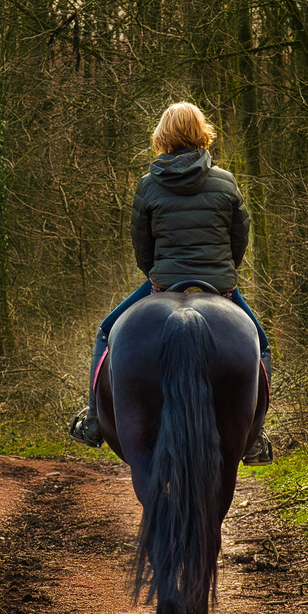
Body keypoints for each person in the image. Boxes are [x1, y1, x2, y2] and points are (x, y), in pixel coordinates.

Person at [70, 101, 272, 462]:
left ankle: (94, 421)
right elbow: (240, 239)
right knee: (262, 346)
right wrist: (223, 274)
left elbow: (142, 249)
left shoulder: (149, 185)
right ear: (201, 133)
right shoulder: (225, 182)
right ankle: (254, 438)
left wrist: (157, 277)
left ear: (163, 135)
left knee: (105, 332)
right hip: (219, 285)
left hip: (164, 284)